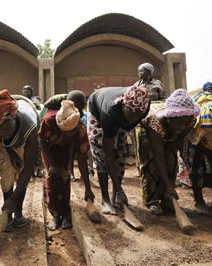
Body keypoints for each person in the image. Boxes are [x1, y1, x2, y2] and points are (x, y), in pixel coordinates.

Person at [135, 89, 200, 215]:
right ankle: (152, 200)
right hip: (146, 129)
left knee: (171, 160)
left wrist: (167, 153)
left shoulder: (190, 120)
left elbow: (176, 141)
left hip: (168, 132)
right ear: (170, 117)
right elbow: (158, 157)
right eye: (178, 123)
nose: (181, 127)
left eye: (184, 123)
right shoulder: (156, 121)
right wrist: (168, 183)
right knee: (151, 163)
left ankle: (166, 198)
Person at [87, 86, 150, 215]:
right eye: (130, 114)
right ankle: (105, 199)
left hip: (118, 119)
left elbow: (116, 155)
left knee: (120, 152)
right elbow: (108, 154)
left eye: (136, 115)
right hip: (97, 110)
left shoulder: (144, 107)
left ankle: (116, 196)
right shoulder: (109, 112)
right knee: (101, 154)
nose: (133, 119)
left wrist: (118, 189)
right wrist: (121, 188)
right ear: (123, 106)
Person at [0, 90, 39, 231]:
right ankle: (7, 215)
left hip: (24, 143)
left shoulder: (30, 128)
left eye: (4, 128)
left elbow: (28, 167)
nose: (1, 132)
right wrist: (10, 152)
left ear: (12, 119)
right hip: (5, 146)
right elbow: (2, 138)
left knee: (22, 175)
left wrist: (14, 199)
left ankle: (18, 211)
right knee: (6, 176)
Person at [39, 98, 95, 230]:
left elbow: (82, 160)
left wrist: (88, 188)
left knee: (65, 176)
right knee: (53, 177)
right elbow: (41, 140)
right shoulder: (48, 120)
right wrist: (52, 163)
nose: (67, 133)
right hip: (49, 148)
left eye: (70, 132)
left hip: (66, 147)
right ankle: (55, 215)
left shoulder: (80, 128)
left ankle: (65, 213)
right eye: (64, 131)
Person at [179, 82, 212, 216]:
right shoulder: (207, 119)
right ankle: (199, 201)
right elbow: (197, 142)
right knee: (196, 166)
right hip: (193, 137)